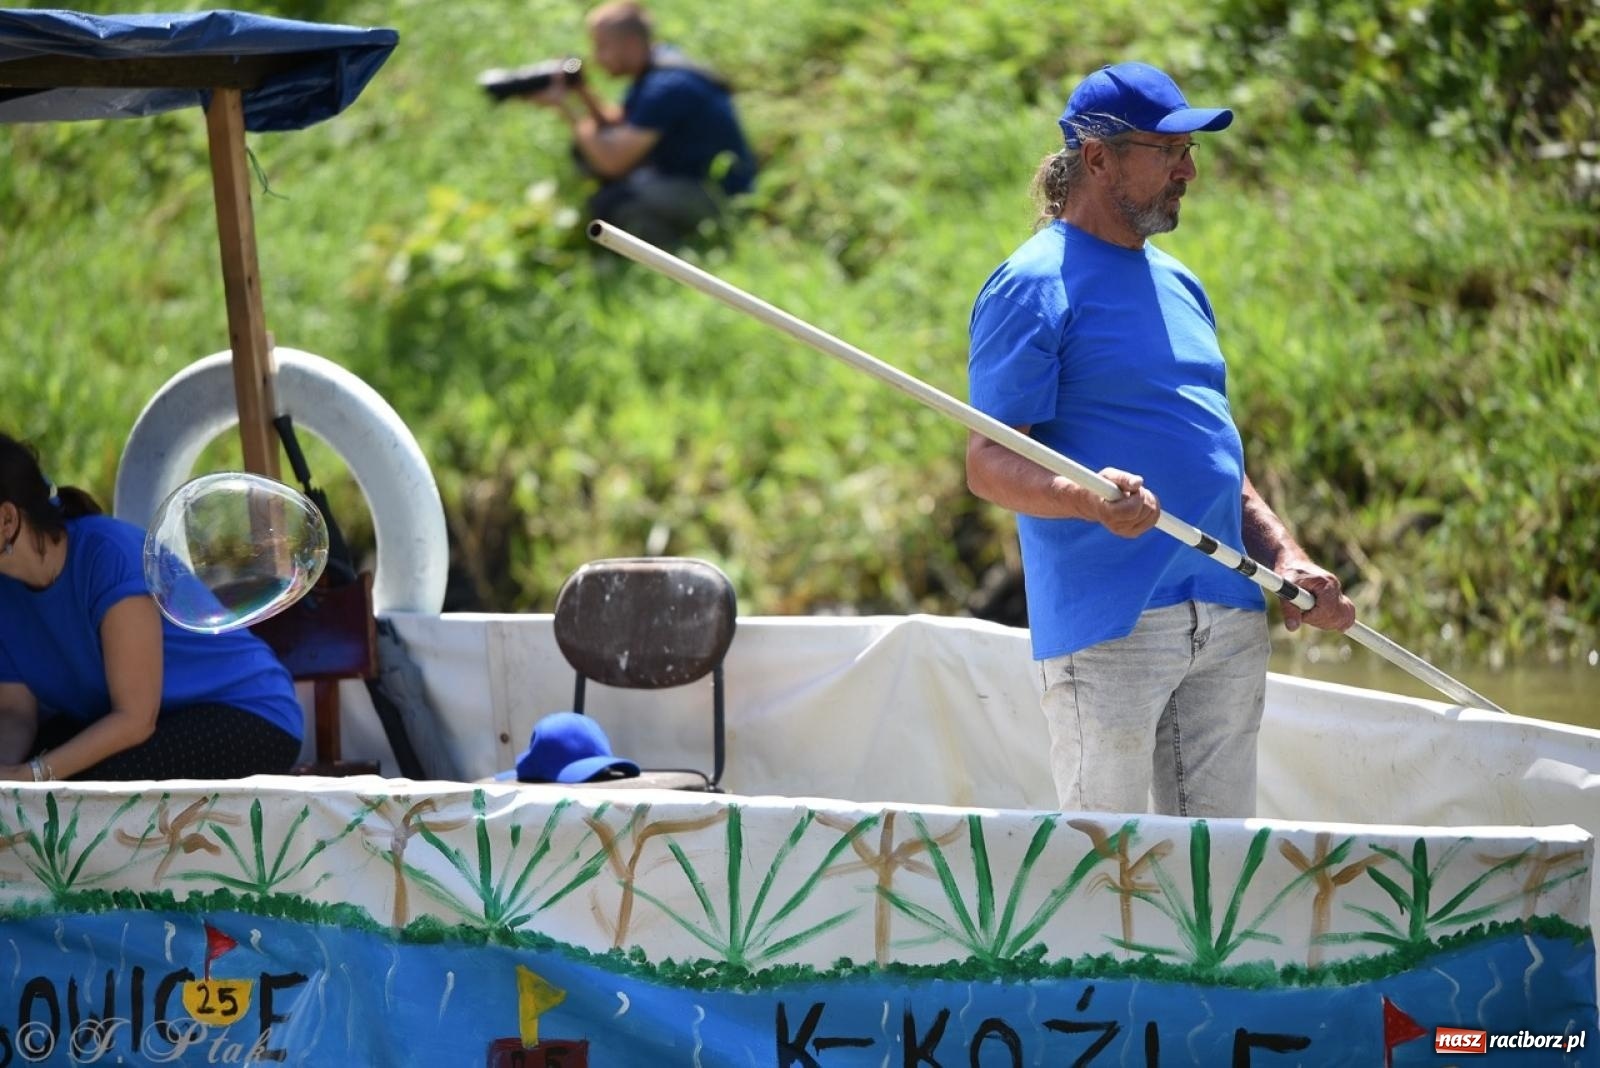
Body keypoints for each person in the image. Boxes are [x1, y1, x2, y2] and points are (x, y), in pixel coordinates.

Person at [965, 62, 1356, 819]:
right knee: (1105, 857)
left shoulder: (1179, 282)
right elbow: (989, 463)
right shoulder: (1031, 284)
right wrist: (1089, 500)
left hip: (1228, 608)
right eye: (1168, 150)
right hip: (1113, 624)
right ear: (1098, 157)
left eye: (1190, 150)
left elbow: (1214, 455)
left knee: (1219, 862)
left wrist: (1283, 555)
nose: (1188, 171)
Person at [0, 433, 304, 781]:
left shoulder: (107, 555)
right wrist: (7, 772)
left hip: (247, 714)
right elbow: (14, 712)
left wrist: (30, 776)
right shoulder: (5, 587)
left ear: (7, 519)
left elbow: (135, 720)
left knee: (86, 790)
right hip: (144, 721)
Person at [524, 0, 757, 247]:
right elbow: (620, 125)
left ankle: (674, 253)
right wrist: (581, 91)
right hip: (687, 180)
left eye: (602, 47)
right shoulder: (658, 65)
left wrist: (565, 109)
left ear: (632, 44)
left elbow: (613, 163)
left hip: (721, 197)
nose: (596, 57)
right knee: (590, 156)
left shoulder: (666, 87)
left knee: (614, 199)